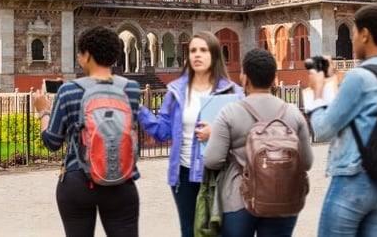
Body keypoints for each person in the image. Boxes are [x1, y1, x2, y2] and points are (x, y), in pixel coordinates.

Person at [33, 26, 141, 237]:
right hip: (121, 179)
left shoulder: (69, 91)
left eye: (80, 53)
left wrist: (42, 111)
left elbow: (52, 142)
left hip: (79, 181)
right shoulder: (132, 88)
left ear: (87, 56)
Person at [306, 3, 377, 236]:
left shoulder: (359, 77)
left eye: (355, 33)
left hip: (354, 179)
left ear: (365, 34)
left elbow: (323, 129)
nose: (354, 40)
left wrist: (317, 92)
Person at [137, 31, 243, 237]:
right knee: (189, 231)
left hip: (220, 173)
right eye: (193, 50)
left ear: (214, 55)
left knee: (221, 230)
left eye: (203, 50)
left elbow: (246, 132)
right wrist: (139, 110)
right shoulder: (176, 91)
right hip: (184, 174)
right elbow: (162, 132)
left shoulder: (233, 92)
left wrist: (217, 132)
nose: (197, 55)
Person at [204, 47, 314, 236]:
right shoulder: (292, 113)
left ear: (244, 78)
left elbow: (212, 160)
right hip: (284, 197)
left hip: (239, 198)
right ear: (274, 79)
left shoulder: (230, 112)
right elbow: (307, 162)